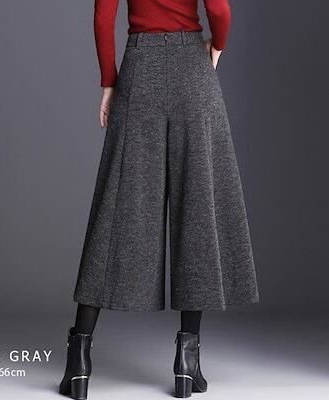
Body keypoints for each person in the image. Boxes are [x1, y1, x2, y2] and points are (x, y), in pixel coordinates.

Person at [59, 1, 259, 398]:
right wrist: (217, 47)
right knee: (197, 210)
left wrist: (108, 82)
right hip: (192, 69)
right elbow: (220, 10)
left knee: (115, 212)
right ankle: (187, 362)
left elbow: (103, 17)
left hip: (140, 70)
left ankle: (79, 361)